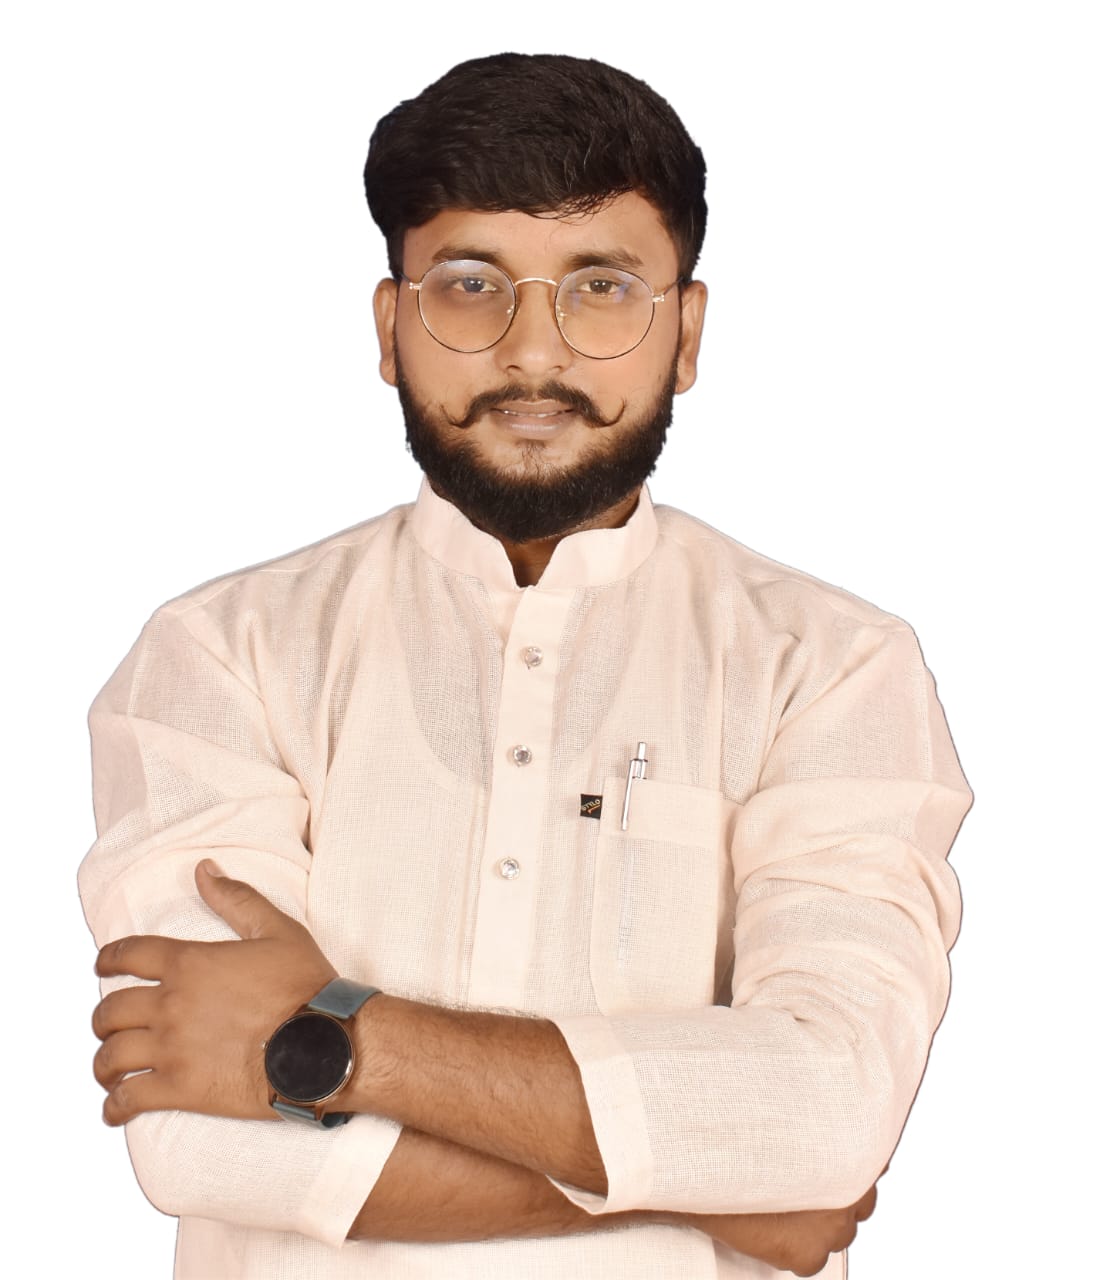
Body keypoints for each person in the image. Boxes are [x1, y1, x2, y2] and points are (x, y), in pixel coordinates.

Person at [80, 52, 971, 1279]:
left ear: (686, 331)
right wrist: (721, 1195)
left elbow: (824, 1112)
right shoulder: (219, 655)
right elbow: (196, 1138)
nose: (534, 354)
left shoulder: (830, 667)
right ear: (390, 328)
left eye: (601, 286)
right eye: (469, 285)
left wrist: (336, 1042)